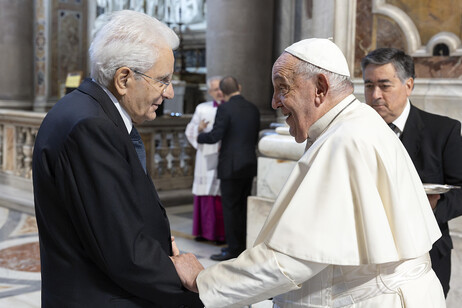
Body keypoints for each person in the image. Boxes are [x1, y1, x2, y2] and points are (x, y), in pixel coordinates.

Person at [171, 38, 446, 307]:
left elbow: (291, 260)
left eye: (282, 88)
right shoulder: (353, 124)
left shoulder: (345, 139)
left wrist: (204, 280)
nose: (274, 102)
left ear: (320, 88)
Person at [32, 10, 202, 307]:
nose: (171, 92)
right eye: (162, 80)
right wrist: (198, 286)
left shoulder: (86, 112)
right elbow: (122, 251)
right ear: (124, 78)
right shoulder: (90, 127)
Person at [361, 47, 462, 298]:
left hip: (425, 256)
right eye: (368, 85)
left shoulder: (443, 131)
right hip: (366, 261)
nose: (375, 95)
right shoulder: (354, 134)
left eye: (384, 85)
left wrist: (434, 207)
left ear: (409, 85)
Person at [196, 76, 260, 261]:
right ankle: (243, 246)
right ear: (239, 87)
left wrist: (200, 135)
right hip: (248, 164)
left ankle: (233, 250)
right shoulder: (253, 108)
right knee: (242, 207)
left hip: (230, 166)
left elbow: (216, 135)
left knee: (231, 209)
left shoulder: (225, 108)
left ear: (222, 93)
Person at [185, 76, 226, 244]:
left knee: (218, 195)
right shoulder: (202, 108)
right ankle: (203, 232)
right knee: (204, 193)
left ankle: (219, 235)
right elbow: (190, 130)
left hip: (222, 155)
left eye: (221, 88)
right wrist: (198, 128)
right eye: (215, 89)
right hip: (204, 155)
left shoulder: (229, 108)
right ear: (209, 92)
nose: (219, 92)